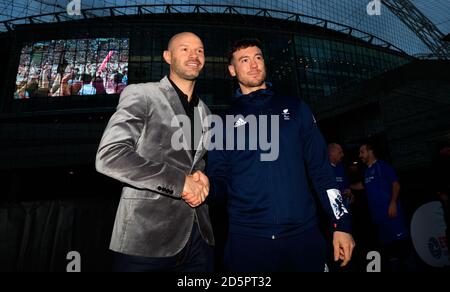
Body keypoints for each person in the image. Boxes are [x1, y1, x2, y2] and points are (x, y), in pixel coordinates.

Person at [207, 38, 355, 272]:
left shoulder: (296, 107)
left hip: (303, 236)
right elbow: (218, 180)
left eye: (258, 57)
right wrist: (204, 187)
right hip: (248, 242)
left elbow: (322, 171)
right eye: (244, 60)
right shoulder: (221, 123)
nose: (254, 64)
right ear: (232, 70)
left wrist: (342, 224)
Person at [95, 32, 214, 272]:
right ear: (167, 56)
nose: (194, 55)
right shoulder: (142, 94)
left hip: (198, 240)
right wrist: (180, 183)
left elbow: (194, 165)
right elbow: (110, 155)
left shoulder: (205, 111)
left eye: (199, 50)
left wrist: (202, 180)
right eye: (185, 49)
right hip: (145, 240)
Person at [352, 142, 410, 270]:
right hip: (379, 218)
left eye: (362, 152)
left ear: (370, 151)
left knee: (402, 250)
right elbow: (363, 185)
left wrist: (393, 203)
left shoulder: (383, 166)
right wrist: (348, 188)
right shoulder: (367, 171)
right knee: (390, 253)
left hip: (391, 214)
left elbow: (396, 185)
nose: (360, 155)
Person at [328, 143, 353, 209]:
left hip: (346, 204)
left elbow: (346, 184)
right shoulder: (325, 170)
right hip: (334, 208)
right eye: (340, 152)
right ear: (331, 153)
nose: (342, 155)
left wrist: (350, 193)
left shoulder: (341, 167)